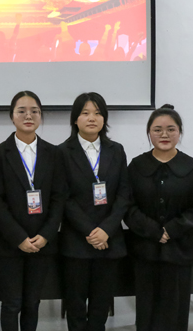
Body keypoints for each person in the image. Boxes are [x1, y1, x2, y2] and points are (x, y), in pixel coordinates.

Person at [125, 104, 193, 331]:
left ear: (179, 132)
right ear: (149, 133)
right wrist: (153, 230)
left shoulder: (192, 167)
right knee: (147, 310)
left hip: (180, 250)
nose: (164, 134)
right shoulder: (136, 166)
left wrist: (172, 229)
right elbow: (127, 205)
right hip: (145, 250)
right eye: (157, 129)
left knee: (175, 310)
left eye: (171, 129)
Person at [0, 91, 66, 331]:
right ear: (11, 116)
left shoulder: (54, 154)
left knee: (33, 303)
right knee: (12, 303)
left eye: (34, 111)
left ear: (41, 116)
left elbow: (59, 198)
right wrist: (19, 238)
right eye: (21, 111)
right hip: (9, 243)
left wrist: (45, 235)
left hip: (42, 242)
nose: (28, 116)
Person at [59, 92, 130, 331]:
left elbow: (124, 194)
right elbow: (63, 198)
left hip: (109, 240)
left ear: (104, 119)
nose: (92, 118)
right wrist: (91, 231)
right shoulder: (62, 152)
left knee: (101, 303)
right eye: (85, 113)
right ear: (75, 119)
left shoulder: (116, 150)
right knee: (75, 303)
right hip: (76, 240)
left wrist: (106, 230)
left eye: (98, 113)